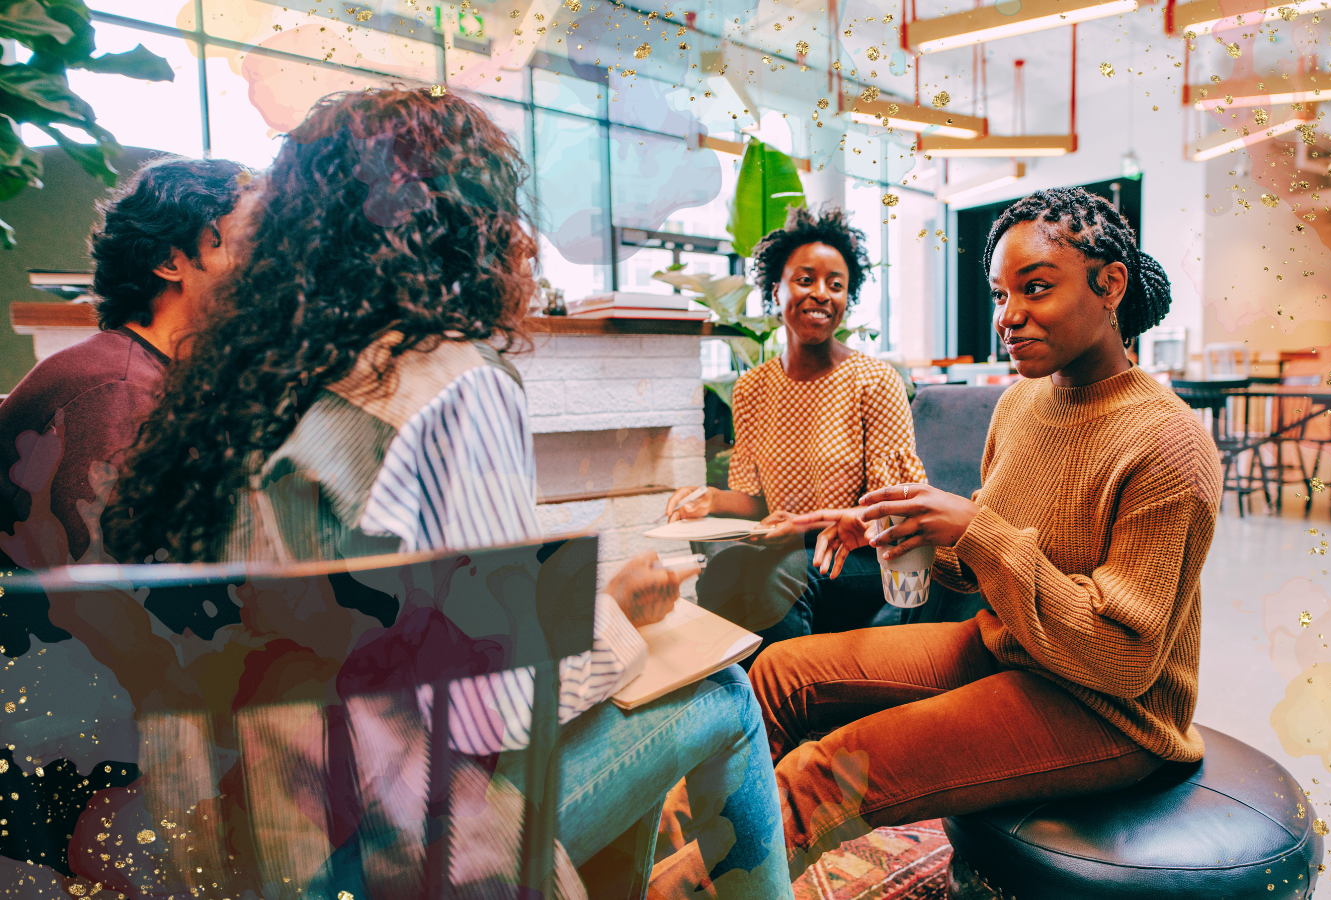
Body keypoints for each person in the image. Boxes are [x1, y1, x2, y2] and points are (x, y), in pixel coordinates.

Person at [94, 89, 790, 900]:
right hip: (391, 860)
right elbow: (500, 717)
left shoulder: (233, 384)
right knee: (720, 692)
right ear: (471, 224)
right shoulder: (449, 380)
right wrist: (617, 619)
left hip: (227, 850)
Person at [760, 187, 1223, 878]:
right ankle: (684, 856)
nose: (1008, 316)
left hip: (1112, 711)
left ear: (1110, 285)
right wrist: (905, 527)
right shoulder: (1021, 403)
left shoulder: (1168, 440)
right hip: (1013, 647)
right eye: (1000, 295)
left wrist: (978, 530)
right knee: (777, 675)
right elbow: (971, 570)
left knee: (820, 777)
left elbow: (1125, 660)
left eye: (1034, 288)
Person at [662, 207, 926, 655]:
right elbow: (755, 502)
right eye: (805, 280)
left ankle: (790, 712)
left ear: (847, 298)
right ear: (776, 289)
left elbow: (895, 509)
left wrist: (801, 527)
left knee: (779, 576)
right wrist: (709, 499)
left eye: (836, 285)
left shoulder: (875, 381)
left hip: (860, 554)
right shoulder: (751, 388)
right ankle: (742, 705)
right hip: (787, 550)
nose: (821, 294)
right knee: (723, 572)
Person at [0, 157, 249, 571]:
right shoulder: (117, 390)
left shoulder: (173, 375)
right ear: (170, 263)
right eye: (248, 243)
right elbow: (106, 601)